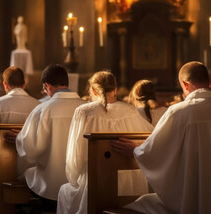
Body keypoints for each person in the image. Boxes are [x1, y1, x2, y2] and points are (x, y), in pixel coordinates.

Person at [111, 61, 211, 214]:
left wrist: (135, 150)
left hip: (190, 199)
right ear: (210, 83)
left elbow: (156, 151)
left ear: (185, 85)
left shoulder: (179, 112)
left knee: (137, 205)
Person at [57, 70, 154, 214]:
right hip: (130, 184)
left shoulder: (83, 112)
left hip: (96, 183)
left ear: (93, 91)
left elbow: (74, 158)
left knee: (63, 191)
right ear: (115, 90)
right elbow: (151, 138)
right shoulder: (130, 110)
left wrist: (75, 178)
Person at [1, 64, 86, 211]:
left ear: (47, 86)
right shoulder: (86, 108)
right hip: (82, 185)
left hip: (50, 185)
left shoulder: (43, 109)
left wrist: (19, 139)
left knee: (27, 174)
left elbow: (32, 150)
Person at [0, 66, 39, 209]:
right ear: (24, 84)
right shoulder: (38, 105)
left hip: (2, 165)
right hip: (31, 166)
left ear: (5, 84)